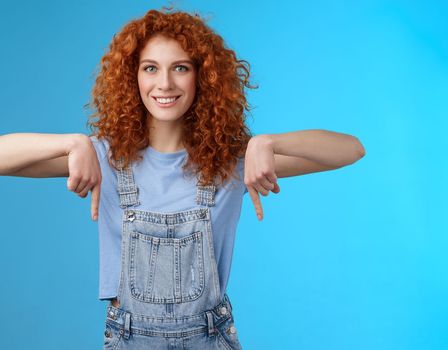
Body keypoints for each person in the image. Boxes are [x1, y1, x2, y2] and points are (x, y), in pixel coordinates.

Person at [0, 8, 364, 349]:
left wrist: (268, 142)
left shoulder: (232, 161)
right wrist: (72, 143)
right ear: (132, 77)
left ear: (202, 76)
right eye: (150, 68)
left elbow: (351, 150)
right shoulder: (105, 158)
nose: (164, 84)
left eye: (180, 68)